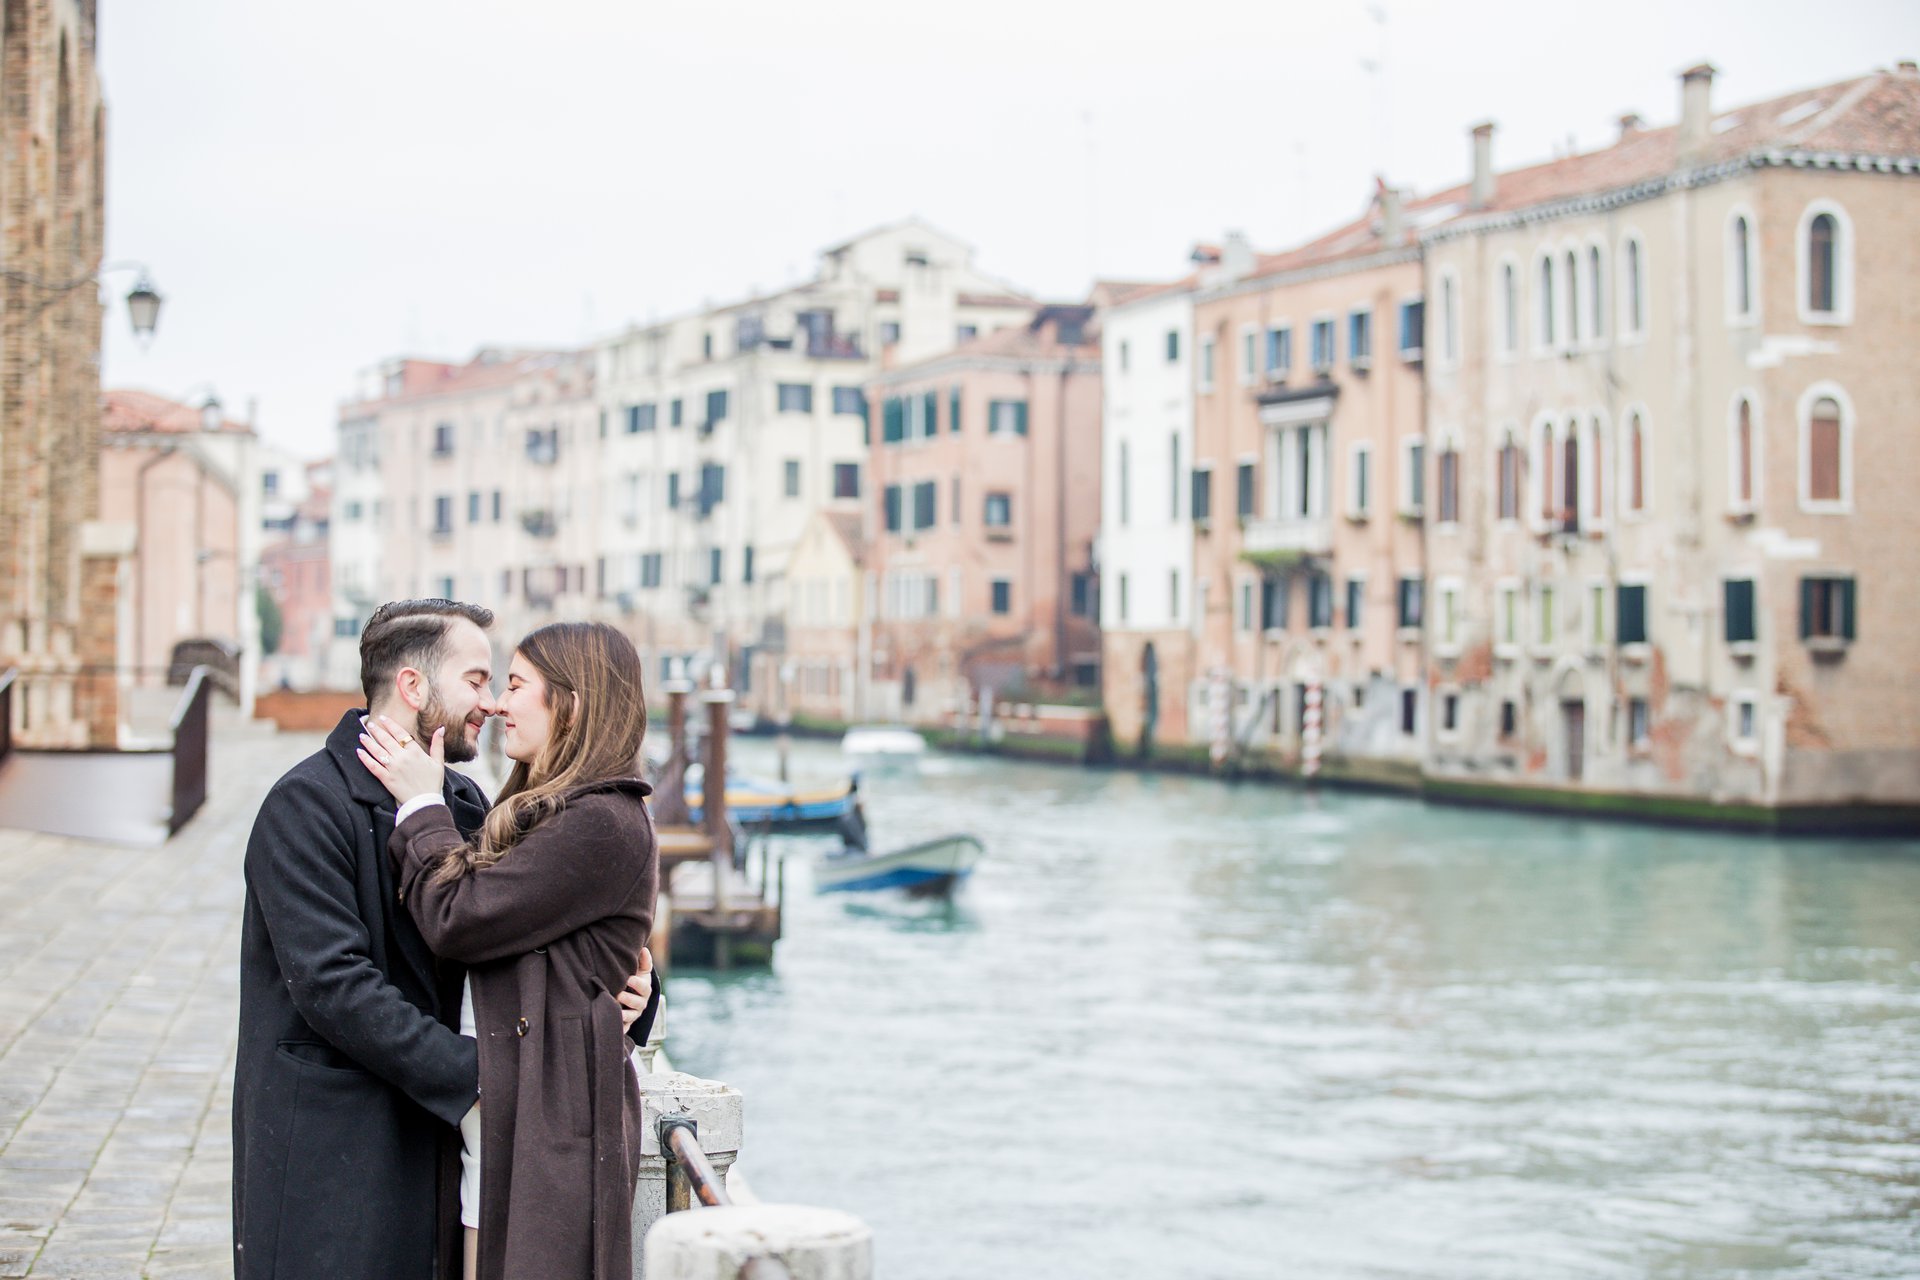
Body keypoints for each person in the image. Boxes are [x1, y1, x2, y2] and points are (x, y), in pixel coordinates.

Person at [232, 600, 659, 1280]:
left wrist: (631, 991)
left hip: (434, 1148)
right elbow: (333, 987)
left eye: (503, 685)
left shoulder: (458, 803)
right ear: (413, 687)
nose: (490, 705)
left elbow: (525, 924)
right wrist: (486, 1078)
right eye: (478, 680)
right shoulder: (303, 805)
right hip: (337, 1145)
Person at [358, 620, 660, 1280]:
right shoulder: (551, 812)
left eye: (517, 684)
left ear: (571, 703)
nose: (497, 703)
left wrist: (419, 806)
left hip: (551, 1123)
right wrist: (643, 988)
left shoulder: (600, 821)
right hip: (510, 1116)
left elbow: (460, 917)